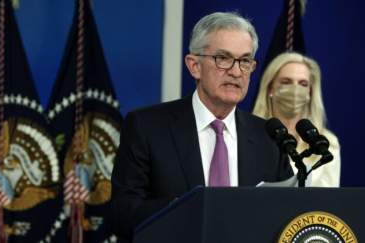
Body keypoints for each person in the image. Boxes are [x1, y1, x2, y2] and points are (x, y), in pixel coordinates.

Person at [111, 12, 293, 242]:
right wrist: (185, 209)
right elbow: (122, 213)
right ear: (194, 65)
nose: (236, 72)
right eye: (223, 58)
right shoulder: (147, 127)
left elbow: (287, 214)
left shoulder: (269, 137)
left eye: (245, 61)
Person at [252, 52, 341, 187]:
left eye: (303, 83)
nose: (295, 89)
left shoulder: (327, 144)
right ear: (270, 88)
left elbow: (332, 199)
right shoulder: (249, 138)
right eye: (286, 82)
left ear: (310, 93)